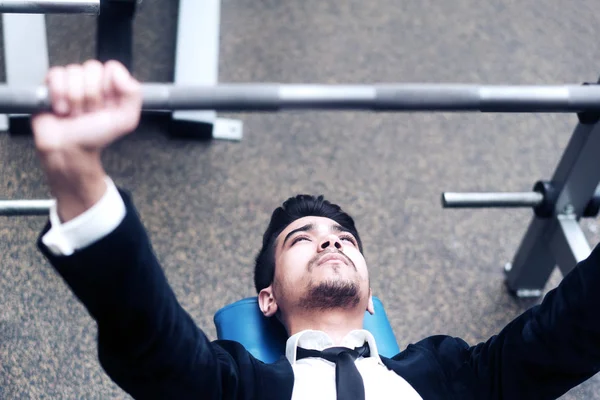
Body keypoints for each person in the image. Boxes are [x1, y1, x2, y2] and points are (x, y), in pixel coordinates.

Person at [32, 60, 600, 400]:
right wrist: (80, 176)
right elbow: (148, 341)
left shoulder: (451, 372)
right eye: (301, 239)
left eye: (344, 239)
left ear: (373, 296)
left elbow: (566, 333)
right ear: (267, 297)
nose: (330, 241)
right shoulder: (238, 385)